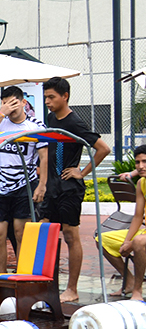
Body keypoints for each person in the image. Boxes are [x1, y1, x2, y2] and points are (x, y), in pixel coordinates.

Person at [41, 76, 111, 302]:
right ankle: (47, 284)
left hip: (69, 188)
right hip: (52, 186)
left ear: (65, 96)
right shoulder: (51, 118)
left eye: (51, 97)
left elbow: (102, 148)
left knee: (71, 236)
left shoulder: (74, 123)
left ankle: (72, 289)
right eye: (45, 98)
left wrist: (82, 172)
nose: (48, 102)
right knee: (45, 233)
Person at [0, 85, 48, 274]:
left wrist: (42, 185)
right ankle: (0, 274)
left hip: (24, 184)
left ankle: (23, 273)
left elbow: (44, 157)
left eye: (13, 104)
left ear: (24, 102)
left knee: (21, 233)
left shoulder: (35, 126)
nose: (9, 108)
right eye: (4, 104)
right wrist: (1, 114)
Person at [100, 145, 146, 299]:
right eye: (138, 163)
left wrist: (133, 242)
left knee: (139, 242)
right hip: (144, 232)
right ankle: (129, 281)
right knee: (102, 239)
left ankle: (137, 291)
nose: (141, 167)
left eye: (145, 162)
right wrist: (127, 241)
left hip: (143, 237)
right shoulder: (141, 183)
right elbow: (138, 216)